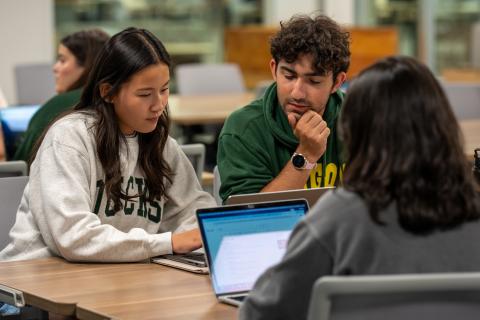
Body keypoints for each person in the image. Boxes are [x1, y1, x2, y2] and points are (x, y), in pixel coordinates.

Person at [239, 56, 480, 320]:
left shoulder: (338, 219)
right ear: (443, 126)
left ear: (351, 131)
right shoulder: (472, 210)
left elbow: (261, 314)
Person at [0, 27, 216, 262]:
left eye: (164, 90)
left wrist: (188, 239)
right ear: (107, 92)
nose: (158, 104)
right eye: (144, 94)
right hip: (33, 284)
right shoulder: (69, 138)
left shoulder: (162, 145)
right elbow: (73, 237)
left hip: (114, 278)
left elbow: (197, 213)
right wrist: (167, 242)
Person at [217, 14, 350, 202]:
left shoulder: (361, 118)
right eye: (289, 76)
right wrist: (306, 155)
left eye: (314, 81)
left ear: (337, 82)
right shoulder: (243, 128)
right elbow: (248, 220)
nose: (297, 93)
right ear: (274, 69)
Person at [12, 29, 110, 162]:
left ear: (87, 66)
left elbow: (22, 164)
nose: (55, 68)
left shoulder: (57, 106)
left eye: (63, 60)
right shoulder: (114, 100)